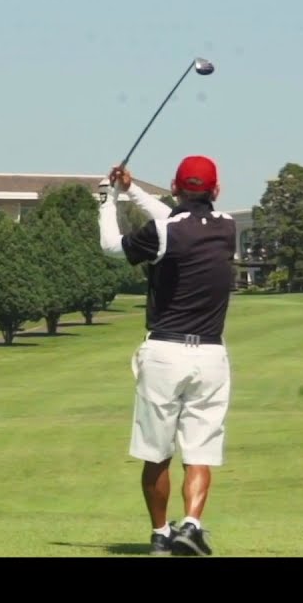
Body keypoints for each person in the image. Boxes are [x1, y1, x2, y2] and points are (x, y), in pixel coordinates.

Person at [98, 154, 236, 557]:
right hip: (210, 355)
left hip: (164, 352)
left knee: (157, 454)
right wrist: (133, 190)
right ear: (216, 190)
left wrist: (109, 199)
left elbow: (113, 246)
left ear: (175, 188)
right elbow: (176, 221)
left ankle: (161, 534)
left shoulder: (165, 230)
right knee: (200, 451)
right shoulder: (227, 228)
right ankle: (191, 524)